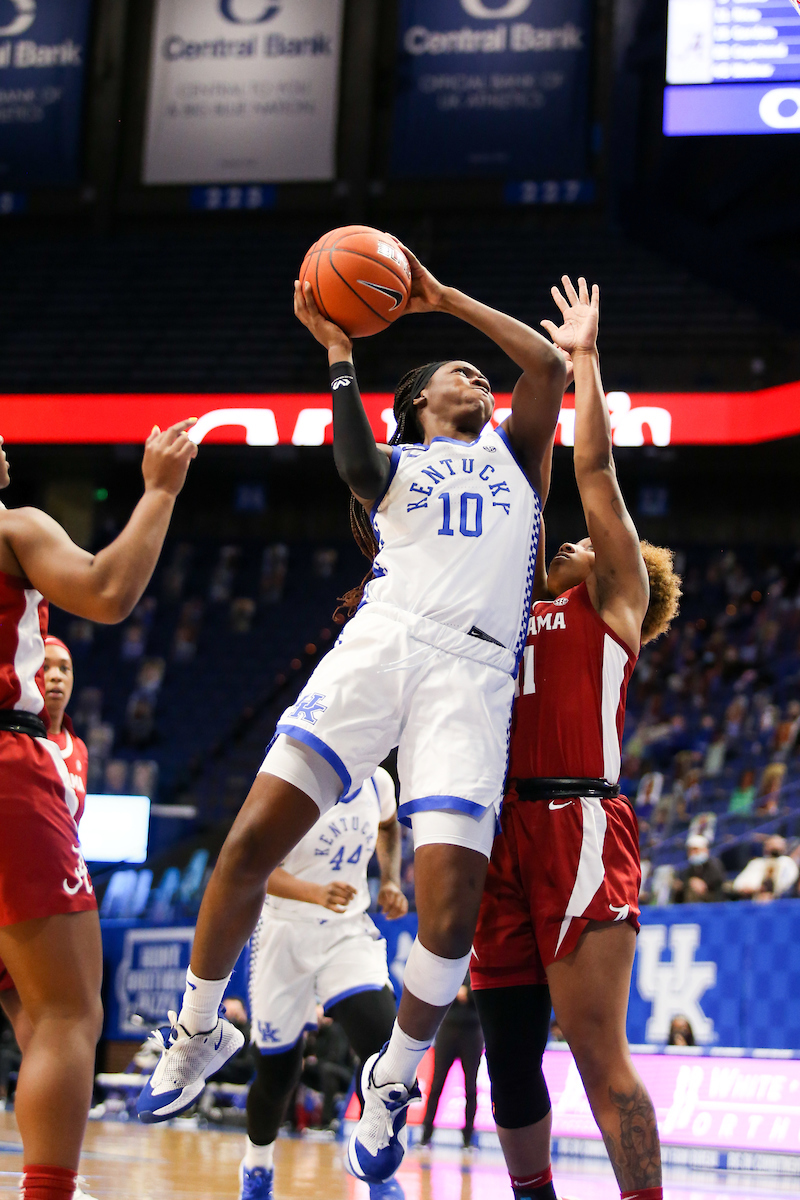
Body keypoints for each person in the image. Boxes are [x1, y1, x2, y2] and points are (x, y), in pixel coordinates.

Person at [137, 244, 565, 1193]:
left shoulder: (516, 454)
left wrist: (442, 297)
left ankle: (390, 1080)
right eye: (455, 371)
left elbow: (547, 366)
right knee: (249, 842)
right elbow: (354, 461)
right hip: (385, 645)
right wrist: (339, 354)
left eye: (474, 370)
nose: (475, 374)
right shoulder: (396, 463)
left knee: (451, 908)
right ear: (413, 403)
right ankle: (200, 1029)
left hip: (475, 674)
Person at [471, 278, 681, 1200]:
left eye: (591, 543)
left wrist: (585, 363)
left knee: (597, 1056)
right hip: (497, 832)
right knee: (508, 1059)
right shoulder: (517, 606)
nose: (572, 543)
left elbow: (593, 473)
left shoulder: (614, 605)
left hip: (577, 821)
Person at [0, 420, 197, 1200]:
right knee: (67, 1015)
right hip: (8, 774)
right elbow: (109, 592)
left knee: (26, 1002)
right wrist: (159, 491)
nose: (7, 451)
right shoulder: (15, 526)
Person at [238, 766, 407, 1200]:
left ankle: (380, 1174)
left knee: (389, 1054)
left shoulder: (378, 783)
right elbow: (253, 866)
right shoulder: (292, 777)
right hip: (284, 931)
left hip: (346, 930)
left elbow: (388, 827)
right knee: (279, 1073)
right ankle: (256, 1169)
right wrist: (314, 893)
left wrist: (388, 879)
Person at [418, 976, 484, 1151]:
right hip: (447, 1029)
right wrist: (456, 991)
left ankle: (468, 1139)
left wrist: (467, 993)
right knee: (436, 1085)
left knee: (470, 1087)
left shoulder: (477, 967)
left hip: (472, 1032)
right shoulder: (452, 965)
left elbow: (484, 994)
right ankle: (425, 1137)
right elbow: (437, 988)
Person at [733, 835, 799, 899]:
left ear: (783, 847)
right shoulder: (757, 862)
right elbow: (738, 883)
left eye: (777, 845)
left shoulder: (787, 862)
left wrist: (772, 893)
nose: (774, 847)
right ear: (765, 847)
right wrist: (753, 889)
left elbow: (787, 883)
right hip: (753, 898)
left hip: (779, 900)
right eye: (771, 844)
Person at [671, 835, 726, 903]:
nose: (693, 853)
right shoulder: (689, 867)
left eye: (695, 849)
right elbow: (683, 881)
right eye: (690, 850)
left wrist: (701, 884)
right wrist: (689, 882)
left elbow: (718, 880)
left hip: (712, 897)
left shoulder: (714, 864)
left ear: (704, 849)